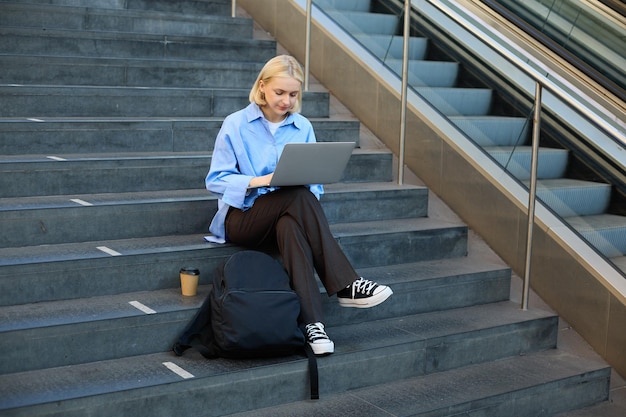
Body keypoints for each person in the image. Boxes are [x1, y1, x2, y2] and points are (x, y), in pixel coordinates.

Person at [205, 55, 392, 356]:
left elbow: (313, 185)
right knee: (297, 198)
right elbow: (215, 180)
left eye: (293, 94)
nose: (287, 100)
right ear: (262, 87)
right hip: (242, 217)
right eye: (280, 92)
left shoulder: (302, 126)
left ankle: (313, 325)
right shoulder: (236, 124)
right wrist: (261, 181)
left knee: (293, 222)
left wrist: (302, 202)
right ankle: (348, 284)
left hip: (288, 213)